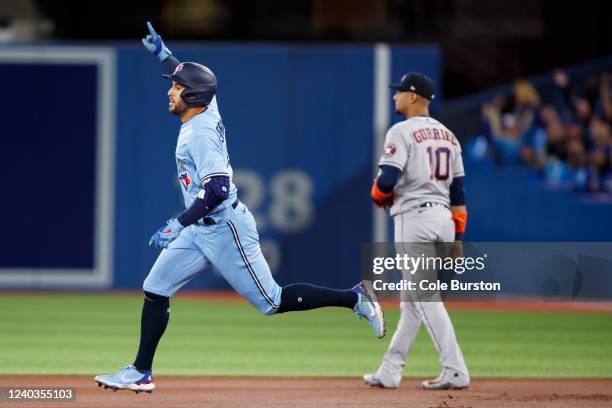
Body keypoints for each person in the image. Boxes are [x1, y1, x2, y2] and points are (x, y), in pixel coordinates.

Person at [94, 22, 385, 394]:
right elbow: (195, 82)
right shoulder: (205, 106)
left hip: (224, 226)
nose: (170, 91)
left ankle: (354, 298)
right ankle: (140, 372)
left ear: (194, 98)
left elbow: (218, 188)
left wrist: (178, 222)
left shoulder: (200, 135)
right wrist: (166, 57)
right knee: (155, 287)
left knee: (272, 301)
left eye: (177, 89)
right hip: (201, 228)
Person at [364, 73, 470, 390]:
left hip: (415, 221)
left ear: (413, 97)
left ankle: (455, 369)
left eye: (399, 93)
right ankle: (390, 370)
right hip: (444, 222)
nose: (394, 97)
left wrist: (377, 195)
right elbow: (459, 193)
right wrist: (458, 237)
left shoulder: (401, 130)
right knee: (412, 301)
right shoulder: (450, 137)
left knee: (424, 299)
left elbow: (386, 181)